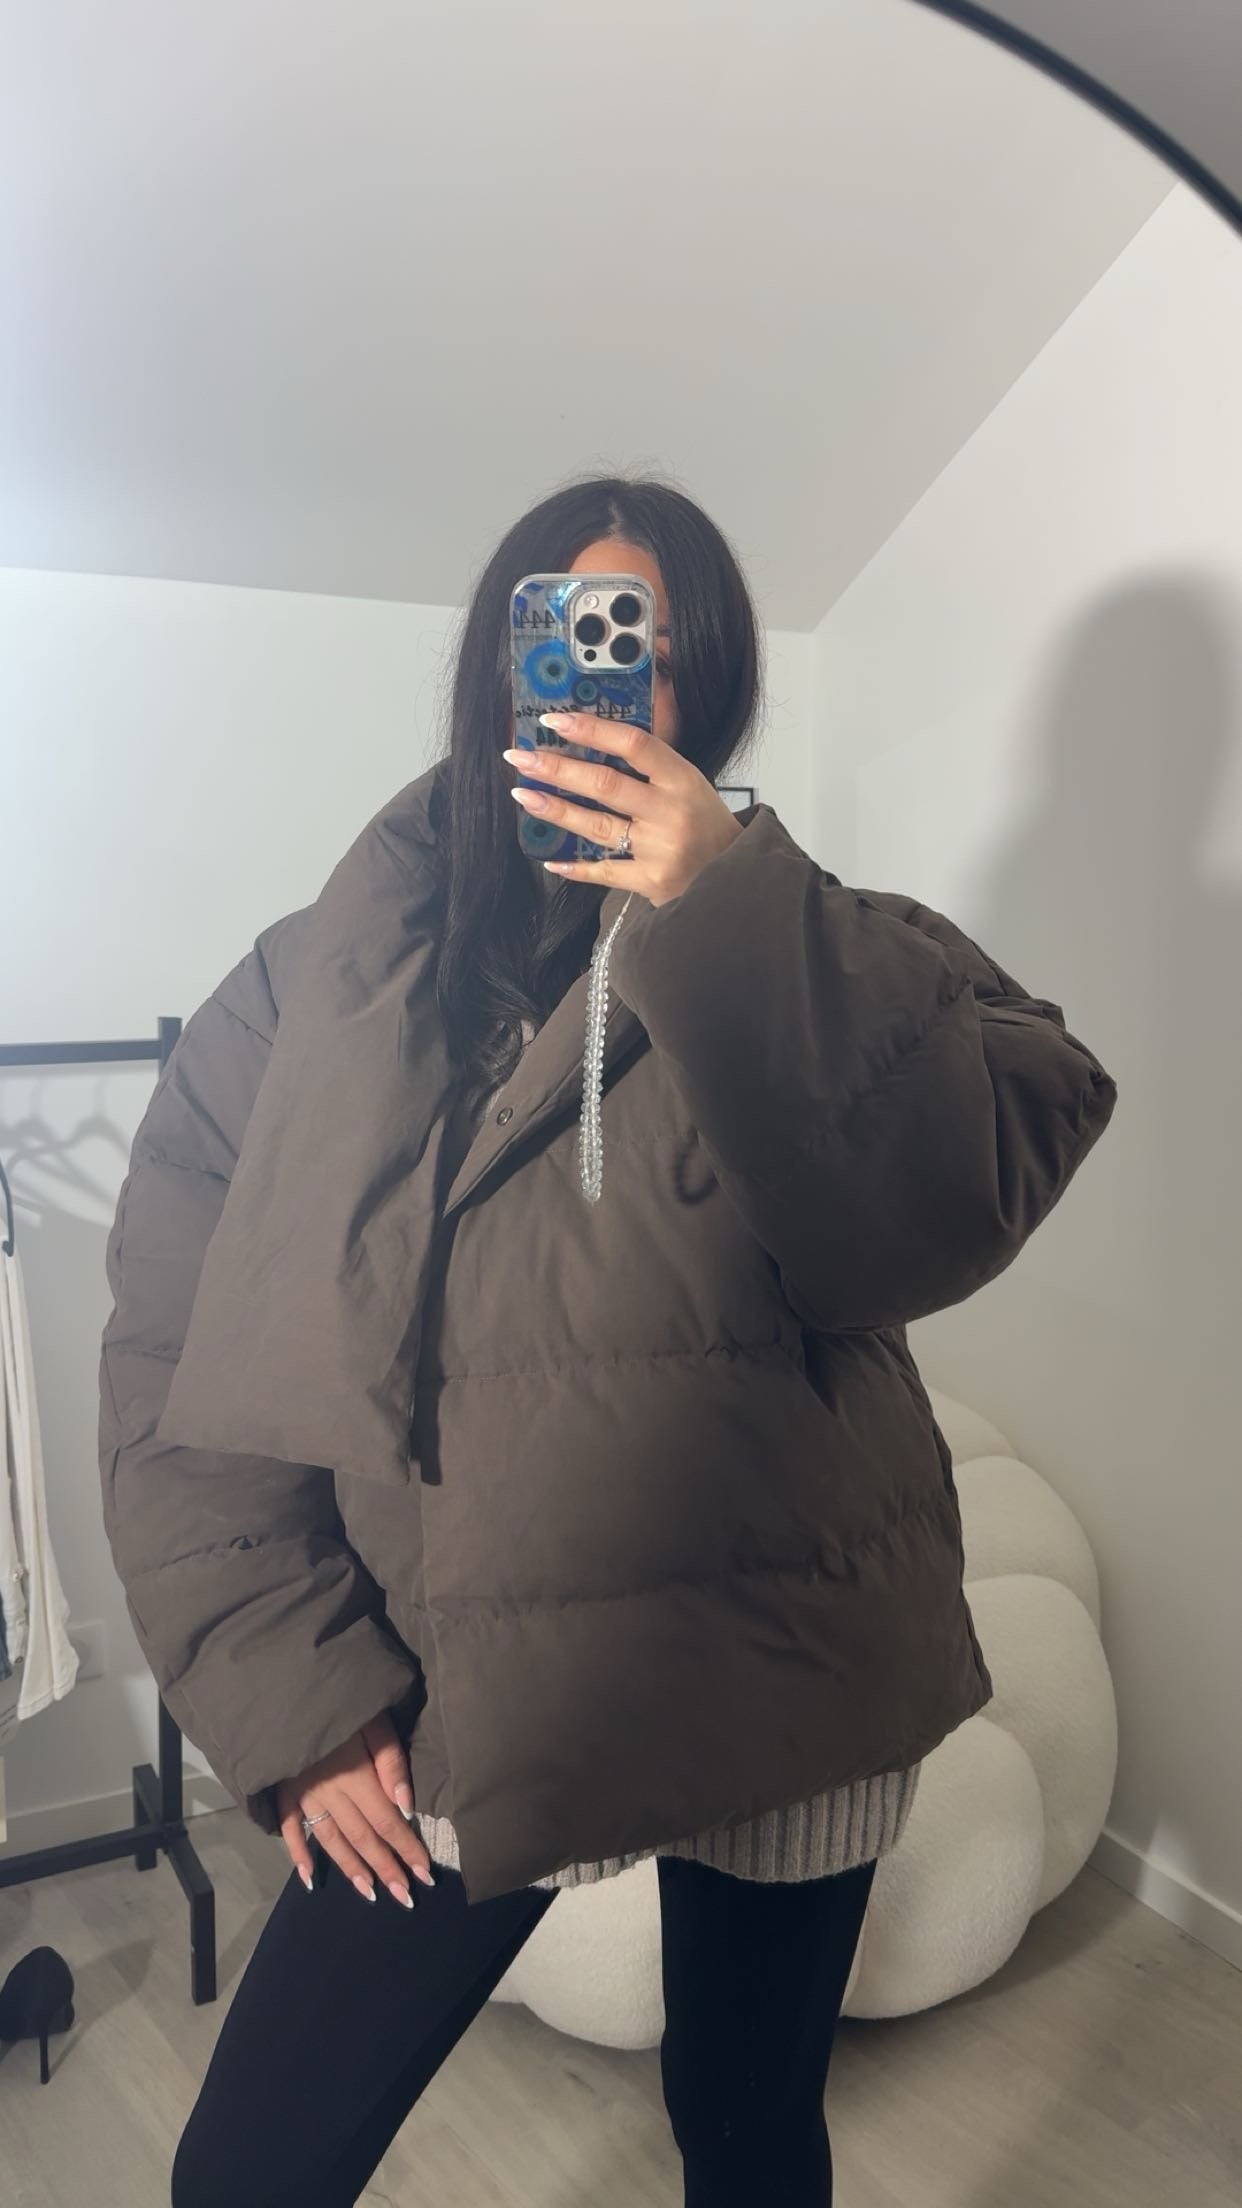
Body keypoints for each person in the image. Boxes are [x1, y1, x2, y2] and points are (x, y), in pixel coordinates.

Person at [98, 474, 1118, 2206]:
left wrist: (728, 909)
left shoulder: (819, 936)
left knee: (748, 2137)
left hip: (785, 1647)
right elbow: (177, 1357)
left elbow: (954, 1192)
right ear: (497, 665)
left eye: (646, 643)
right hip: (442, 1682)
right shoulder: (307, 986)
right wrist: (297, 1694)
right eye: (561, 632)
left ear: (704, 686)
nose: (605, 675)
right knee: (252, 2170)